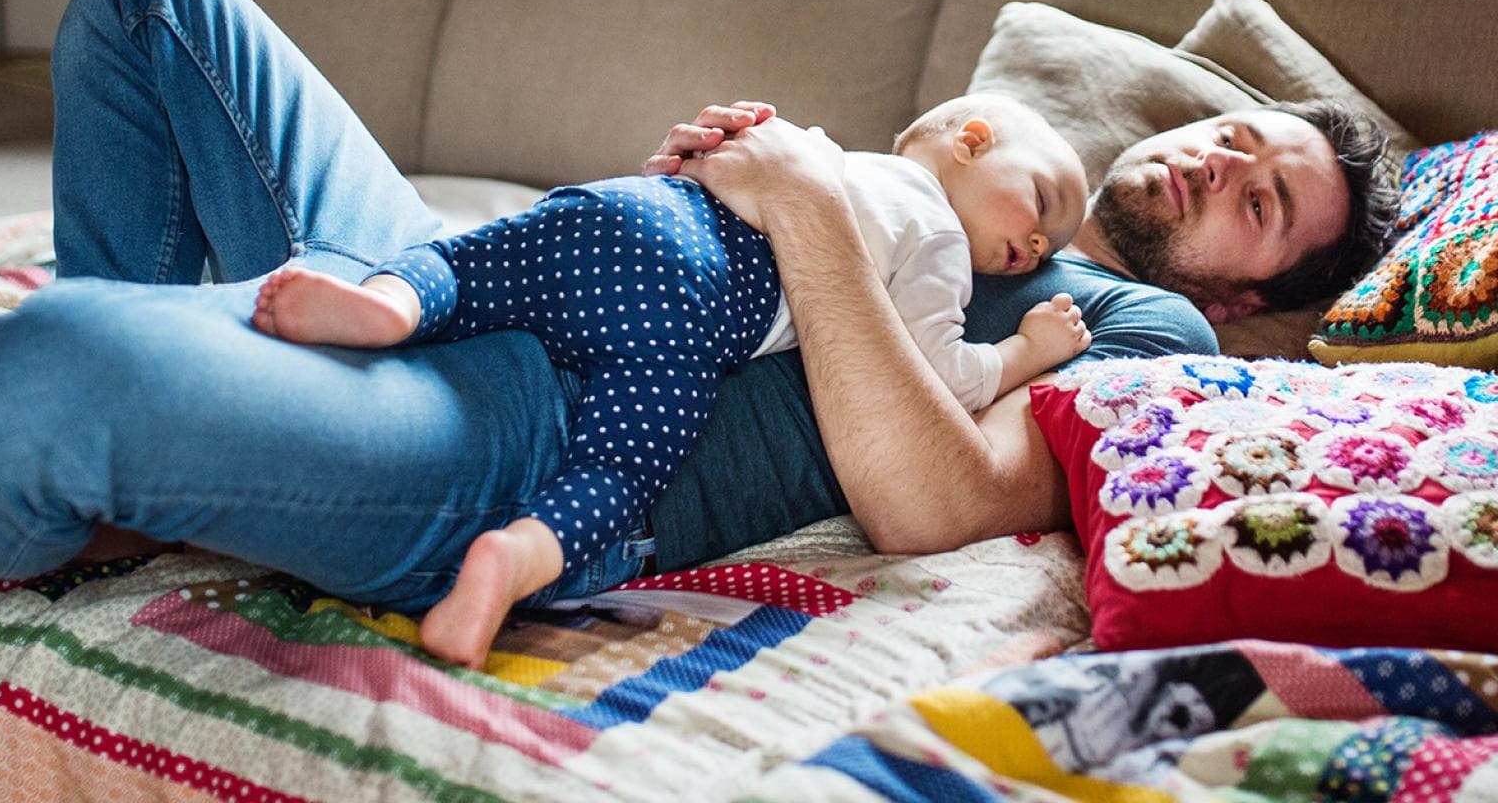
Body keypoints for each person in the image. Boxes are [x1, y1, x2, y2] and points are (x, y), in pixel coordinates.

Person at [0, 0, 1397, 638]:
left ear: (1258, 300)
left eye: (1263, 208)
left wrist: (804, 221)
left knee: (46, 361)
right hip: (476, 272)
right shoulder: (975, 159)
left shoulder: (1141, 337)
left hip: (508, 437)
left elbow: (940, 505)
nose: (1213, 172)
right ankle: (152, 449)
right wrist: (707, 185)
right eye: (1239, 147)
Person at [251, 93, 1091, 665]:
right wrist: (1023, 353)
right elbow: (940, 373)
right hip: (692, 308)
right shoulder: (938, 239)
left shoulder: (818, 149)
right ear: (970, 142)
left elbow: (726, 162)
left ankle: (391, 306)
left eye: (1055, 240)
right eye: (1042, 202)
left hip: (634, 213)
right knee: (621, 465)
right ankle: (514, 561)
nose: (1042, 244)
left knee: (474, 261)